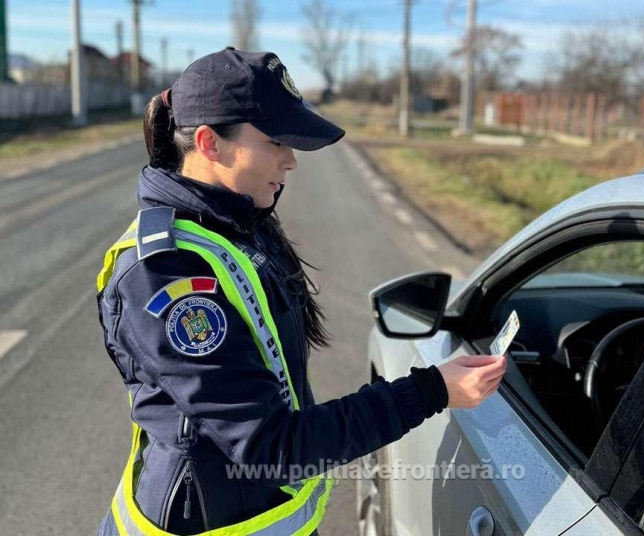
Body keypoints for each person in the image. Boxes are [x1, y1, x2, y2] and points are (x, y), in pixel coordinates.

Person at [95, 47, 507, 536]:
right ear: (209, 143)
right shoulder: (165, 274)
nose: (291, 161)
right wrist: (431, 391)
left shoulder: (238, 221)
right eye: (276, 142)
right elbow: (271, 446)